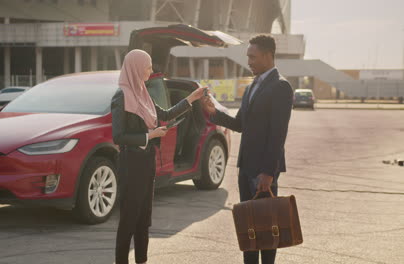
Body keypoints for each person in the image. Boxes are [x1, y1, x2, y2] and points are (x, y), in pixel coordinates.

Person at [202, 35, 293, 264]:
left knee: (267, 227)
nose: (249, 61)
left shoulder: (281, 86)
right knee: (249, 226)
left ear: (267, 55)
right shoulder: (252, 85)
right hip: (246, 168)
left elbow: (277, 135)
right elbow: (240, 124)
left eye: (252, 57)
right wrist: (215, 113)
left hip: (263, 171)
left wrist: (268, 172)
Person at [111, 49, 206, 264]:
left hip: (146, 162)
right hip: (131, 163)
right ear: (136, 67)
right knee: (129, 219)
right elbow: (118, 136)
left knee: (144, 218)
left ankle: (142, 260)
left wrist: (192, 98)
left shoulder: (144, 93)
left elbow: (165, 115)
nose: (151, 70)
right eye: (148, 66)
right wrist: (150, 135)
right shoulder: (121, 96)